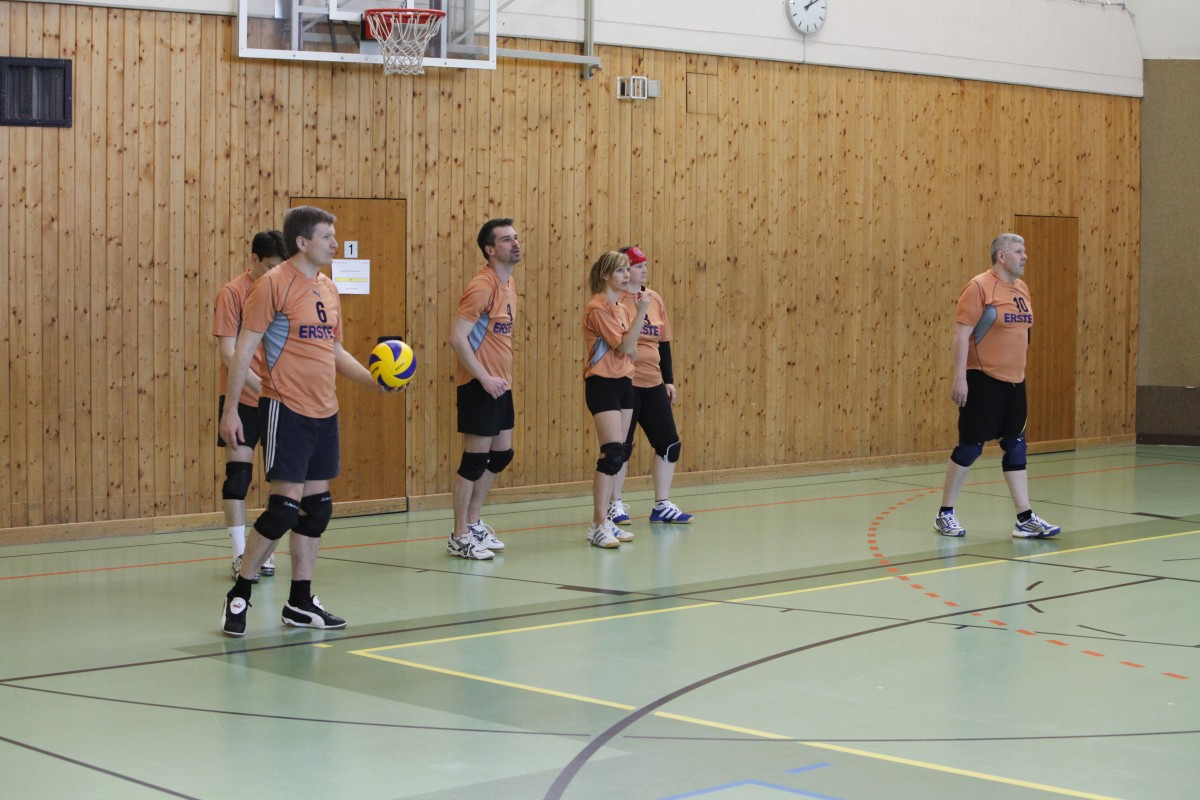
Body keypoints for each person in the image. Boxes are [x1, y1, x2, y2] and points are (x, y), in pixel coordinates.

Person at [219, 206, 398, 637]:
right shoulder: (271, 285)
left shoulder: (328, 288)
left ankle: (299, 601)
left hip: (325, 411)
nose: (335, 243)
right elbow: (243, 350)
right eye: (327, 237)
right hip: (286, 408)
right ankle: (240, 592)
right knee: (283, 507)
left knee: (317, 508)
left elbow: (335, 351)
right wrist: (231, 411)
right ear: (302, 242)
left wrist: (374, 382)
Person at [934, 233, 1061, 539]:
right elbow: (962, 335)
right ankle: (945, 514)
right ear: (1001, 256)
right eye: (1019, 251)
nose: (1025, 256)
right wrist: (960, 378)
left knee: (1016, 445)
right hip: (983, 379)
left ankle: (1024, 518)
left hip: (1015, 382)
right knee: (971, 446)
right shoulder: (979, 287)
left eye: (1024, 250)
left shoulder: (1021, 288)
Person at [213, 230, 287, 583]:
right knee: (238, 477)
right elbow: (228, 354)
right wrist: (262, 387)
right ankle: (240, 555)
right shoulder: (232, 293)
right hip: (243, 397)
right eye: (270, 266)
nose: (275, 272)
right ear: (254, 259)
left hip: (279, 401)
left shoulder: (285, 291)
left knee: (283, 484)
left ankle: (263, 552)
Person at [446, 218, 521, 560]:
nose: (515, 243)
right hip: (479, 385)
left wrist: (498, 379)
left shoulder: (508, 283)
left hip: (500, 384)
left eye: (516, 237)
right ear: (490, 250)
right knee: (473, 461)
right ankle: (459, 534)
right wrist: (483, 378)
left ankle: (473, 521)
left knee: (502, 454)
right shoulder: (482, 285)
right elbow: (457, 337)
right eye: (506, 239)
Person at [606, 245, 693, 526]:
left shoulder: (653, 299)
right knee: (621, 447)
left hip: (653, 383)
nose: (643, 270)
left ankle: (661, 505)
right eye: (637, 265)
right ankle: (614, 504)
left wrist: (669, 380)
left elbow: (664, 342)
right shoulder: (616, 301)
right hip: (626, 383)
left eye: (645, 265)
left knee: (669, 444)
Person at [583, 251, 650, 548]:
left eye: (627, 270)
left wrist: (628, 342)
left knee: (621, 453)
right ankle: (598, 524)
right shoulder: (597, 308)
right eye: (620, 271)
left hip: (624, 382)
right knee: (610, 453)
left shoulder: (621, 308)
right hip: (603, 384)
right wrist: (642, 313)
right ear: (605, 276)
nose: (626, 275)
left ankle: (606, 520)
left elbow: (632, 349)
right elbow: (625, 346)